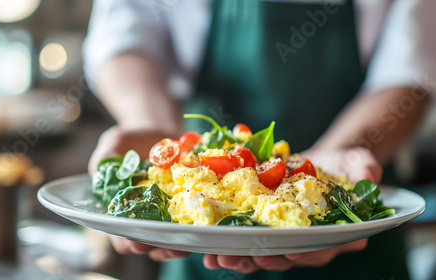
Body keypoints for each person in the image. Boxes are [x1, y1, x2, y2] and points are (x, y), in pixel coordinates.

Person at [83, 0, 435, 279]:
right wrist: (152, 129)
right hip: (197, 251)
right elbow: (124, 35)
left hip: (359, 241)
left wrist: (345, 154)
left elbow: (412, 68)